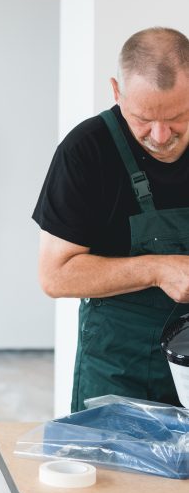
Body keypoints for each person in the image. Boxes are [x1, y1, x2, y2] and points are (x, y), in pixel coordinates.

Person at [34, 27, 189, 412]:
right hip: (120, 371)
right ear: (116, 91)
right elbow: (55, 276)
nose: (160, 134)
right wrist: (156, 269)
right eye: (142, 118)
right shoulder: (85, 151)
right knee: (115, 473)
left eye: (178, 117)